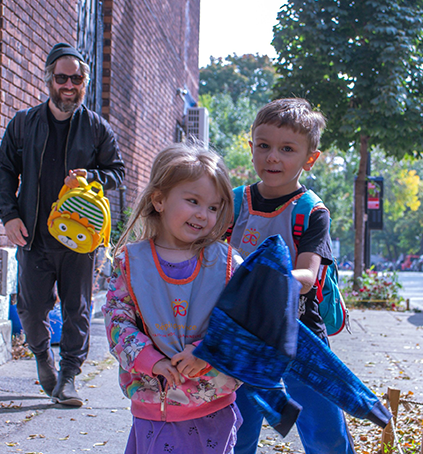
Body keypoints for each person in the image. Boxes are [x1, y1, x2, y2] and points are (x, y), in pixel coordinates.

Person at [0, 43, 125, 407]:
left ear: (85, 82)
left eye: (76, 78)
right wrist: (9, 215)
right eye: (62, 77)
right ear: (49, 78)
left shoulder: (98, 128)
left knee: (76, 309)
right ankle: (41, 356)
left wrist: (92, 177)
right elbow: (5, 170)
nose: (69, 85)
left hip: (80, 238)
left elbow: (117, 173)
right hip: (33, 234)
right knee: (32, 310)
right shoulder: (23, 123)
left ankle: (69, 376)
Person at [227, 98, 356, 453]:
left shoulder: (311, 211)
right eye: (264, 146)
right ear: (251, 146)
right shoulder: (231, 201)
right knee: (236, 433)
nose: (273, 157)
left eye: (287, 149)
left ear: (309, 159)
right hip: (243, 341)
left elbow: (308, 276)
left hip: (300, 339)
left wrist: (261, 276)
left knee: (326, 434)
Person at [103, 143, 243, 454]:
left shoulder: (228, 263)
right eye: (193, 201)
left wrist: (206, 350)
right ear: (159, 199)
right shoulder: (131, 261)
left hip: (213, 408)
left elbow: (246, 323)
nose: (203, 215)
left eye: (213, 207)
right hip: (154, 407)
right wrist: (150, 360)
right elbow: (117, 318)